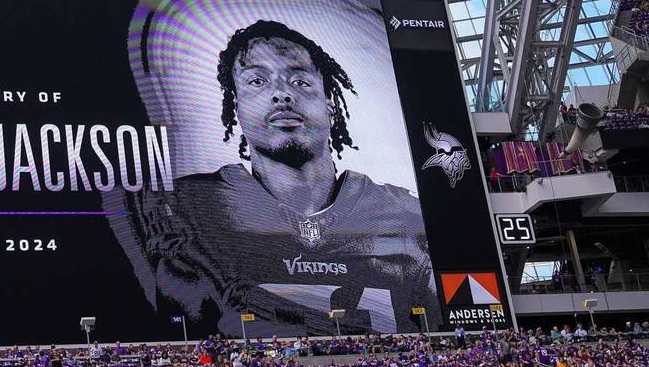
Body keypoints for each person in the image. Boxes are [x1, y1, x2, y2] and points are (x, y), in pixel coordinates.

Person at [120, 19, 436, 336]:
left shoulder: (407, 217)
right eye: (258, 81)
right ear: (235, 107)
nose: (282, 94)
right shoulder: (187, 207)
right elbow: (181, 325)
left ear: (330, 104)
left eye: (300, 82)